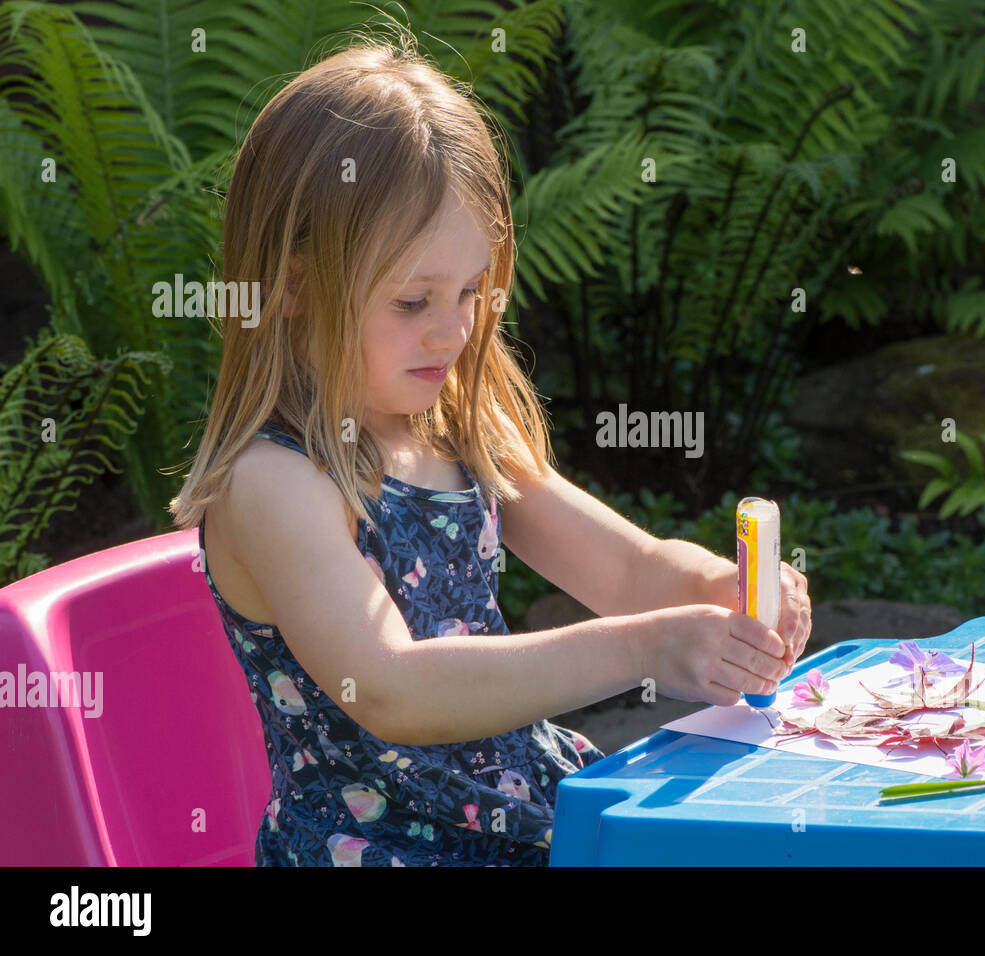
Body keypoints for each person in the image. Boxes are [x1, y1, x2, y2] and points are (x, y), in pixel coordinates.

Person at [166, 30, 811, 866]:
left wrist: (725, 595)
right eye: (411, 300)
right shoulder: (273, 483)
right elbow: (392, 688)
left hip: (527, 829)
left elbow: (630, 569)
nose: (454, 329)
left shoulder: (459, 428)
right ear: (293, 284)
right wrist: (651, 647)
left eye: (471, 289)